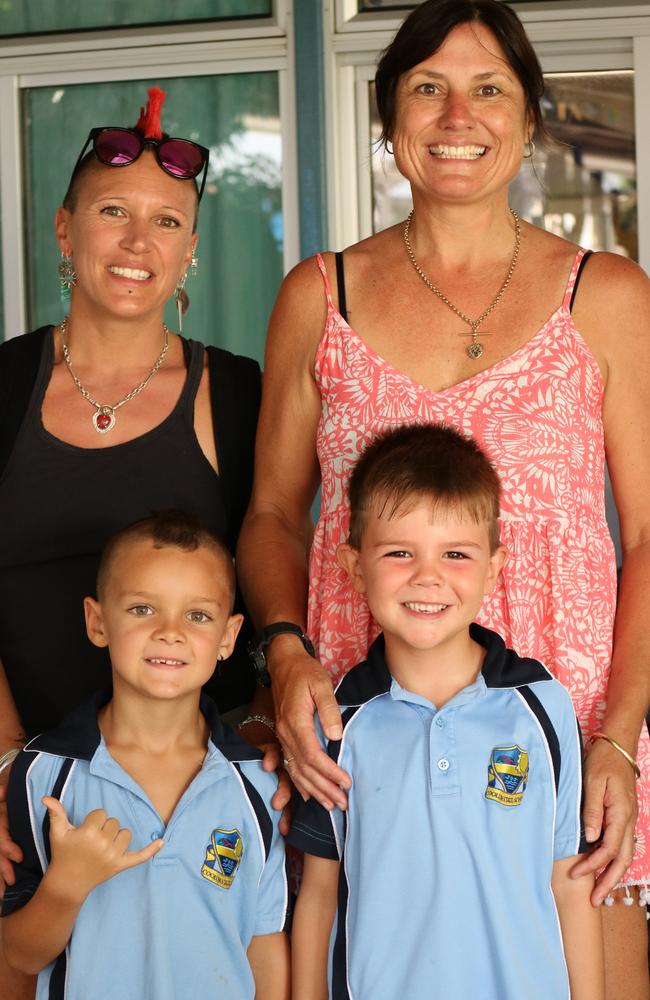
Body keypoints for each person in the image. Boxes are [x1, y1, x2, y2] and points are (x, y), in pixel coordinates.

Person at [237, 1, 650, 995]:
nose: (454, 113)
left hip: (570, 745)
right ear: (387, 119)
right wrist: (285, 650)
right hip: (361, 744)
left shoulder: (606, 294)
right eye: (425, 86)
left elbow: (647, 531)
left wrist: (616, 737)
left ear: (529, 116)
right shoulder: (317, 295)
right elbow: (270, 516)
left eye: (486, 87)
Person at [0, 87, 262, 998]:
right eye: (112, 213)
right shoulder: (1, 386)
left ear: (191, 251)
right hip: (18, 783)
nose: (137, 243)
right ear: (66, 231)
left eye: (166, 222)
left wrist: (255, 755)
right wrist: (2, 771)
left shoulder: (236, 396)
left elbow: (270, 568)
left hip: (190, 789)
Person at [289, 424, 604, 1000]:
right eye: (399, 552)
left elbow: (568, 881)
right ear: (355, 567)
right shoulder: (336, 724)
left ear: (494, 566)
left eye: (455, 554)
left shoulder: (541, 707)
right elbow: (319, 894)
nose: (427, 576)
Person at [1, 511, 290, 1000]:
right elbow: (19, 958)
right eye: (142, 609)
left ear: (228, 636)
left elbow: (263, 947)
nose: (169, 631)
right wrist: (65, 886)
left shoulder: (258, 782)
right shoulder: (44, 773)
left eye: (197, 615)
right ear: (98, 622)